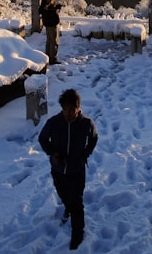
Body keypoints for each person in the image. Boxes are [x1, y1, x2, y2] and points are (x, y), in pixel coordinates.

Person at [38, 88, 98, 250]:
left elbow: (93, 139)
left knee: (77, 201)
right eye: (65, 109)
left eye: (72, 109)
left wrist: (84, 155)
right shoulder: (53, 122)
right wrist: (52, 153)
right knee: (64, 194)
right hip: (58, 169)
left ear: (78, 108)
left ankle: (77, 233)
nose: (68, 113)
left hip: (77, 171)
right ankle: (68, 208)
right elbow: (42, 139)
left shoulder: (86, 124)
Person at [39, 0, 64, 64]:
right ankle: (52, 59)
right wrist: (55, 9)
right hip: (51, 22)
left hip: (48, 21)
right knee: (54, 41)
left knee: (49, 40)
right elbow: (44, 10)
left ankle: (48, 57)